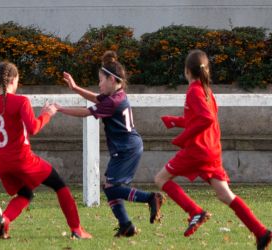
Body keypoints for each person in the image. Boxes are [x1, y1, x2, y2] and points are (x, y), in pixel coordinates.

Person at [154, 49, 271, 249]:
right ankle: (261, 232)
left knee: (160, 179)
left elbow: (206, 120)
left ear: (187, 71)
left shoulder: (193, 91)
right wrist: (175, 122)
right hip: (211, 150)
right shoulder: (206, 90)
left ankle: (195, 212)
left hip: (198, 150)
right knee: (225, 195)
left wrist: (183, 138)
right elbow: (200, 119)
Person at [55, 51, 165, 237]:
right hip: (129, 146)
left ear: (112, 80)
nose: (99, 84)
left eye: (101, 80)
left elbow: (86, 112)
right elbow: (97, 99)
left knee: (112, 188)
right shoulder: (117, 95)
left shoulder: (113, 102)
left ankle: (150, 198)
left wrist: (60, 109)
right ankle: (126, 225)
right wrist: (75, 88)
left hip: (126, 148)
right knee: (110, 188)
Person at [0, 60, 92, 239]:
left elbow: (0, 103)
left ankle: (4, 220)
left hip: (1, 161)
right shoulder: (21, 101)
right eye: (18, 80)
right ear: (12, 81)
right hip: (21, 158)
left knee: (25, 193)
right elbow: (33, 128)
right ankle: (77, 229)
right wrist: (47, 114)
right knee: (59, 185)